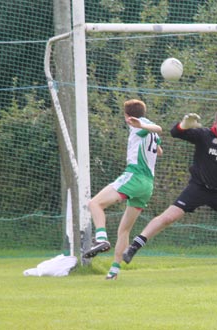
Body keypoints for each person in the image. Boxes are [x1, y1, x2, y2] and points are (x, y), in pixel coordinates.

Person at [122, 108, 217, 276]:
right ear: (215, 124)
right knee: (167, 218)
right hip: (198, 188)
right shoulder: (203, 135)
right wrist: (184, 125)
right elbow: (175, 133)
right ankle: (134, 247)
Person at [83, 99, 163, 280]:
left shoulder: (139, 126)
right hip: (147, 185)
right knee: (124, 230)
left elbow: (159, 129)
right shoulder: (147, 129)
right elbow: (159, 150)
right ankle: (114, 271)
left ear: (127, 115)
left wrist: (138, 124)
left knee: (95, 204)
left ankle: (101, 238)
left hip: (134, 176)